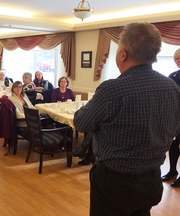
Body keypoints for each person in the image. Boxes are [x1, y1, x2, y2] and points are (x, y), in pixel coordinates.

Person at [74, 22, 180, 216]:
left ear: (122, 54)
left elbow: (81, 123)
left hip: (114, 183)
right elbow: (175, 128)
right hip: (151, 179)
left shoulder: (112, 89)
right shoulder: (172, 87)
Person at [161, 48, 180, 187]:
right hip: (175, 116)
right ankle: (172, 171)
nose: (178, 61)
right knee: (173, 145)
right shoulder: (172, 75)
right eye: (176, 58)